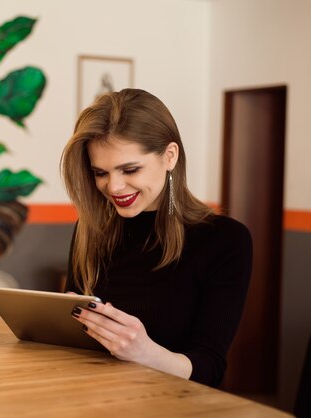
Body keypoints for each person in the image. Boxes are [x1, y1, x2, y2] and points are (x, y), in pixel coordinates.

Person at [60, 88, 252, 387]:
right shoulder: (89, 231)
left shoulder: (225, 240)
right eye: (100, 173)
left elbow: (209, 366)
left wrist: (145, 352)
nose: (114, 187)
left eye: (130, 169)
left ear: (170, 156)